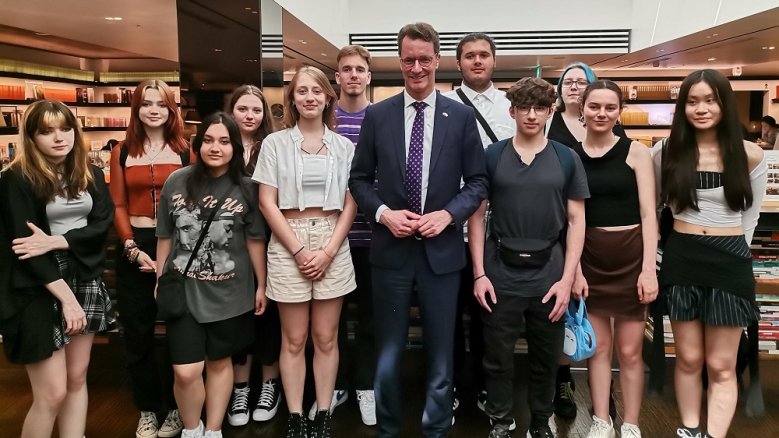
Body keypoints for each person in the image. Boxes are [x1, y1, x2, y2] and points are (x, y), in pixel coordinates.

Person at [349, 22, 488, 438]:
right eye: (408, 59)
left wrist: (448, 215)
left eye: (424, 59)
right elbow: (358, 180)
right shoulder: (377, 115)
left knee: (441, 353)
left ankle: (436, 430)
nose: (416, 67)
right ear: (399, 60)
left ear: (437, 60)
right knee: (389, 353)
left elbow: (478, 182)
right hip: (390, 253)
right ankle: (388, 430)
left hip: (442, 254)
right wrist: (383, 213)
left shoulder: (461, 117)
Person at [468, 77, 588, 438]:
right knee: (498, 357)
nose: (532, 115)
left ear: (551, 112)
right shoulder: (493, 155)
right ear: (513, 111)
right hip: (500, 270)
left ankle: (540, 422)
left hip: (549, 271)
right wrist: (479, 273)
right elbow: (476, 216)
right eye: (524, 108)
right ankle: (501, 422)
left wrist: (567, 279)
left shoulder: (566, 158)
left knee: (544, 357)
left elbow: (577, 220)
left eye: (540, 108)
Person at [654, 69, 766, 438]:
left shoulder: (749, 154)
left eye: (711, 100)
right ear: (683, 106)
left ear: (724, 103)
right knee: (687, 358)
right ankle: (689, 430)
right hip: (682, 256)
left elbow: (751, 217)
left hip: (730, 259)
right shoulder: (666, 151)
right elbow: (656, 209)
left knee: (721, 364)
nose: (702, 108)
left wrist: (736, 257)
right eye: (693, 100)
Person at [0, 99, 115, 437]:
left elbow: (102, 222)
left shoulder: (89, 172)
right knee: (51, 393)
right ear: (31, 137)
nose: (59, 137)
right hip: (37, 284)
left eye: (65, 128)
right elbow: (26, 247)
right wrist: (66, 299)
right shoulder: (15, 179)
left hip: (83, 272)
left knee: (77, 378)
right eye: (47, 131)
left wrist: (59, 241)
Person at [255, 66, 357, 438]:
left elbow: (351, 203)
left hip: (333, 237)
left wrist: (328, 250)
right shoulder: (275, 144)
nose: (310, 97)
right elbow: (267, 202)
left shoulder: (344, 146)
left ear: (329, 96)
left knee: (326, 337)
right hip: (288, 238)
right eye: (302, 91)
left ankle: (324, 413)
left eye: (317, 91)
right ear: (292, 99)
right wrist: (298, 250)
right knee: (293, 338)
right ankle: (296, 416)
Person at [156, 112, 268, 438]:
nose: (214, 148)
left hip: (231, 293)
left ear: (235, 147)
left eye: (223, 141)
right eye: (207, 140)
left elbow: (255, 241)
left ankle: (213, 430)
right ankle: (192, 428)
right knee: (186, 371)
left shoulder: (247, 189)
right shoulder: (176, 181)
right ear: (198, 143)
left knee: (220, 363)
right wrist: (161, 277)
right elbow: (165, 235)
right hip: (184, 291)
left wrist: (261, 285)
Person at [571, 80, 658, 438]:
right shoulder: (569, 155)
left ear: (619, 111)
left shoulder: (636, 152)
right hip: (588, 256)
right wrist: (573, 269)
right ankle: (601, 419)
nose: (602, 113)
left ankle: (632, 423)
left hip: (631, 258)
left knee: (630, 349)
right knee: (600, 347)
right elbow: (569, 220)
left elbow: (649, 214)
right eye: (595, 107)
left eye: (610, 107)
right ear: (583, 110)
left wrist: (648, 269)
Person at [109, 79, 190, 438]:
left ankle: (176, 408)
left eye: (161, 103)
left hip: (178, 246)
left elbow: (193, 207)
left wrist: (171, 255)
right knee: (138, 333)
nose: (153, 109)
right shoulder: (123, 151)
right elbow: (118, 204)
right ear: (137, 109)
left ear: (171, 108)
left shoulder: (186, 151)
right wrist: (130, 246)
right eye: (146, 103)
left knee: (179, 333)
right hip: (135, 245)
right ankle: (147, 409)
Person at [546, 62, 626, 420]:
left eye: (582, 82)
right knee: (564, 311)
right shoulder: (550, 123)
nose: (575, 87)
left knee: (597, 315)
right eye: (569, 82)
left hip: (601, 228)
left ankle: (602, 392)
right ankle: (562, 379)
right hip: (560, 227)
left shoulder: (608, 122)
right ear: (560, 89)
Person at [443, 32, 515, 420]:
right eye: (469, 56)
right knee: (450, 311)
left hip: (497, 229)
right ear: (458, 63)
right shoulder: (442, 105)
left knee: (492, 315)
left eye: (483, 55)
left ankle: (490, 385)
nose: (476, 61)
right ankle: (453, 384)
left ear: (493, 60)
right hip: (453, 225)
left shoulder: (510, 107)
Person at [309, 43, 377, 426]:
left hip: (368, 238)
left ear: (368, 76)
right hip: (325, 243)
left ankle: (364, 386)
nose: (353, 75)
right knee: (327, 325)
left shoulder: (380, 118)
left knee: (368, 319)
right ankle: (331, 387)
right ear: (337, 77)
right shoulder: (322, 118)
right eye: (346, 69)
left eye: (359, 69)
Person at [224, 84, 283, 427]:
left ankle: (269, 385)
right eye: (243, 109)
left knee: (269, 315)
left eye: (256, 109)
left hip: (270, 242)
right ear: (232, 111)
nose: (249, 115)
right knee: (238, 317)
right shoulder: (219, 144)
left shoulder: (273, 146)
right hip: (229, 247)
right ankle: (241, 387)